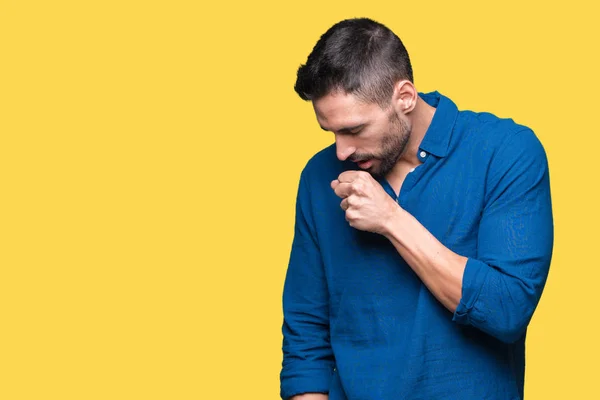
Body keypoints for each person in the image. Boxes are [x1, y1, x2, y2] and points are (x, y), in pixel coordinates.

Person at [280, 18, 553, 400]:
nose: (341, 151)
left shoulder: (506, 153)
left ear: (404, 97)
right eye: (331, 132)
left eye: (355, 130)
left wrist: (391, 220)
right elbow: (305, 338)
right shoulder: (319, 176)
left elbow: (506, 309)